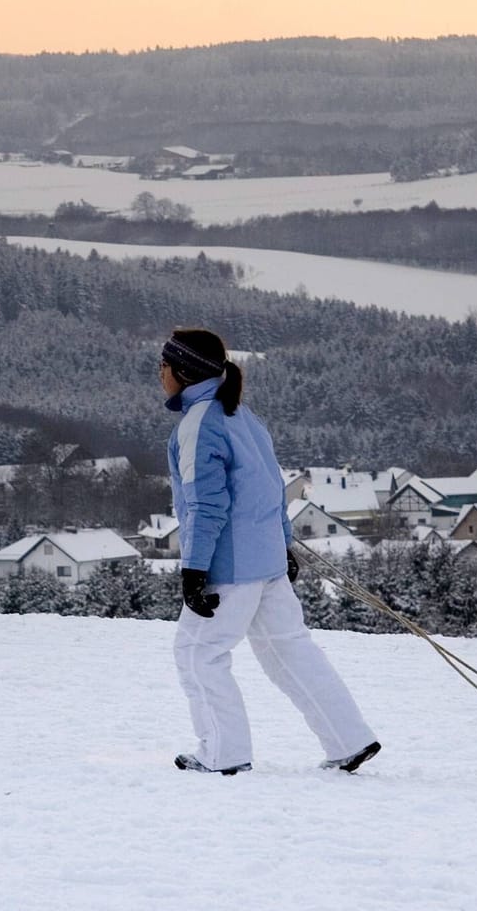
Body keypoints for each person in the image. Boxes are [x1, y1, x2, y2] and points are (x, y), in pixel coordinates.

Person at [160, 327, 380, 776]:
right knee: (290, 651)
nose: (158, 374)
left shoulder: (199, 424)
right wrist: (282, 546)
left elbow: (205, 504)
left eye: (162, 365)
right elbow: (270, 488)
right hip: (266, 563)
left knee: (198, 654)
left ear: (183, 371)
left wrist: (194, 570)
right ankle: (348, 739)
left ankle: (223, 753)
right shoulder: (242, 415)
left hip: (230, 567)